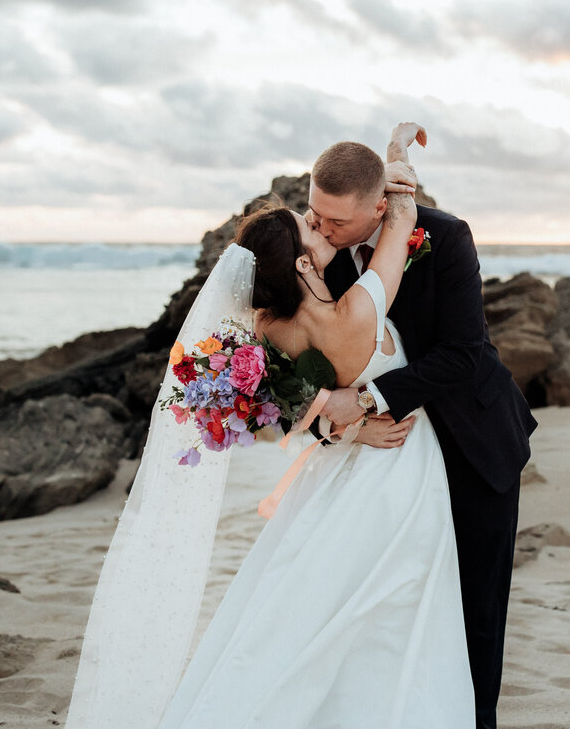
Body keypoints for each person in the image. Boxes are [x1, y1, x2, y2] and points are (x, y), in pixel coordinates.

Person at [66, 125, 484, 728]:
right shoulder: (354, 310)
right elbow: (399, 223)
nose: (322, 227)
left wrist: (341, 427)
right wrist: (395, 162)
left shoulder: (268, 327)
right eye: (313, 224)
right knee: (390, 611)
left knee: (306, 608)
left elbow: (285, 405)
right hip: (398, 480)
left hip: (337, 473)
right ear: (296, 259)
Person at [308, 124, 538, 729]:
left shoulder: (445, 237)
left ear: (381, 207)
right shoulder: (313, 258)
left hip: (473, 443)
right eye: (315, 213)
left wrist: (367, 400)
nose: (323, 230)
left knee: (476, 607)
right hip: (385, 464)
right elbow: (299, 376)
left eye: (337, 221)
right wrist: (345, 426)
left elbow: (465, 352)